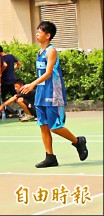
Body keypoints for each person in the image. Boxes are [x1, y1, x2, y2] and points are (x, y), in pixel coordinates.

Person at [19, 21, 88, 168]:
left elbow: (49, 73)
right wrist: (34, 86)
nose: (37, 33)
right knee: (43, 125)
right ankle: (50, 157)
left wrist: (32, 84)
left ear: (48, 35)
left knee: (55, 127)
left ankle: (77, 141)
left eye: (40, 31)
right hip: (41, 94)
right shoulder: (39, 52)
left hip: (53, 93)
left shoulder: (52, 51)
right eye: (37, 30)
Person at [0, 44, 22, 115]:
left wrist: (0, 72)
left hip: (5, 80)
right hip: (13, 79)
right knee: (16, 96)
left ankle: (2, 111)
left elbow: (5, 65)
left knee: (3, 97)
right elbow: (19, 63)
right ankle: (21, 110)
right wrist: (13, 69)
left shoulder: (1, 57)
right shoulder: (11, 56)